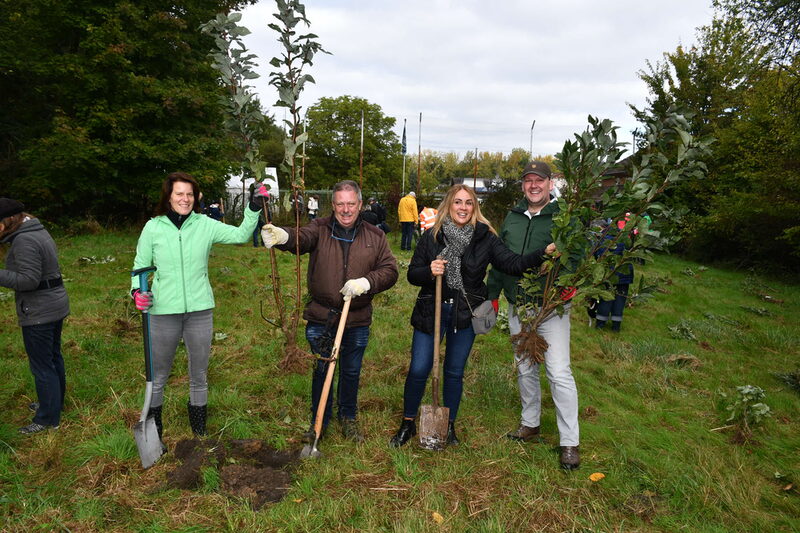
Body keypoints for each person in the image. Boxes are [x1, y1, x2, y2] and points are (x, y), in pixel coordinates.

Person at [389, 184, 555, 448]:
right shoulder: (433, 235)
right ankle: (408, 423)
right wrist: (429, 271)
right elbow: (412, 275)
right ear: (448, 205)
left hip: (465, 313)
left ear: (475, 207)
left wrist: (541, 253)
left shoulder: (485, 237)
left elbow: (511, 263)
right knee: (419, 368)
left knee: (454, 372)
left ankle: (449, 425)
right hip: (431, 309)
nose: (463, 207)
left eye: (468, 203)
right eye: (458, 202)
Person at [130, 172, 266, 442]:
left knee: (199, 373)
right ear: (168, 196)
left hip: (199, 311)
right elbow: (139, 267)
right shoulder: (153, 227)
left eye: (190, 194)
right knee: (158, 376)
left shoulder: (204, 224)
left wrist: (253, 209)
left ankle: (199, 433)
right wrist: (137, 292)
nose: (185, 199)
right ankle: (155, 433)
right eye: (179, 193)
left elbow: (240, 235)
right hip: (162, 312)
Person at [261, 180, 398, 442]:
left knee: (351, 370)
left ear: (359, 204)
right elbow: (303, 238)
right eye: (340, 204)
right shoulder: (321, 228)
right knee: (322, 370)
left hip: (357, 317)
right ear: (332, 205)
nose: (346, 210)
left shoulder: (375, 235)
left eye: (350, 204)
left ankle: (348, 417)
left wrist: (366, 282)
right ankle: (319, 421)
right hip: (322, 317)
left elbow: (390, 270)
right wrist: (284, 236)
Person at [486, 161, 581, 470]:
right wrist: (493, 296)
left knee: (558, 372)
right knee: (525, 369)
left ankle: (569, 441)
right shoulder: (512, 219)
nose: (533, 185)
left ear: (550, 183)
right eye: (528, 181)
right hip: (518, 307)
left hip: (549, 307)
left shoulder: (564, 219)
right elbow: (500, 259)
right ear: (523, 185)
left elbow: (577, 255)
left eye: (539, 180)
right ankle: (531, 423)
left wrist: (570, 282)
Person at [0, 199, 70, 434]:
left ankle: (48, 419)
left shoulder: (24, 240)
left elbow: (28, 280)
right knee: (52, 357)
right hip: (53, 303)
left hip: (39, 309)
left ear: (5, 222)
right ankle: (54, 404)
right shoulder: (35, 229)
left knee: (42, 366)